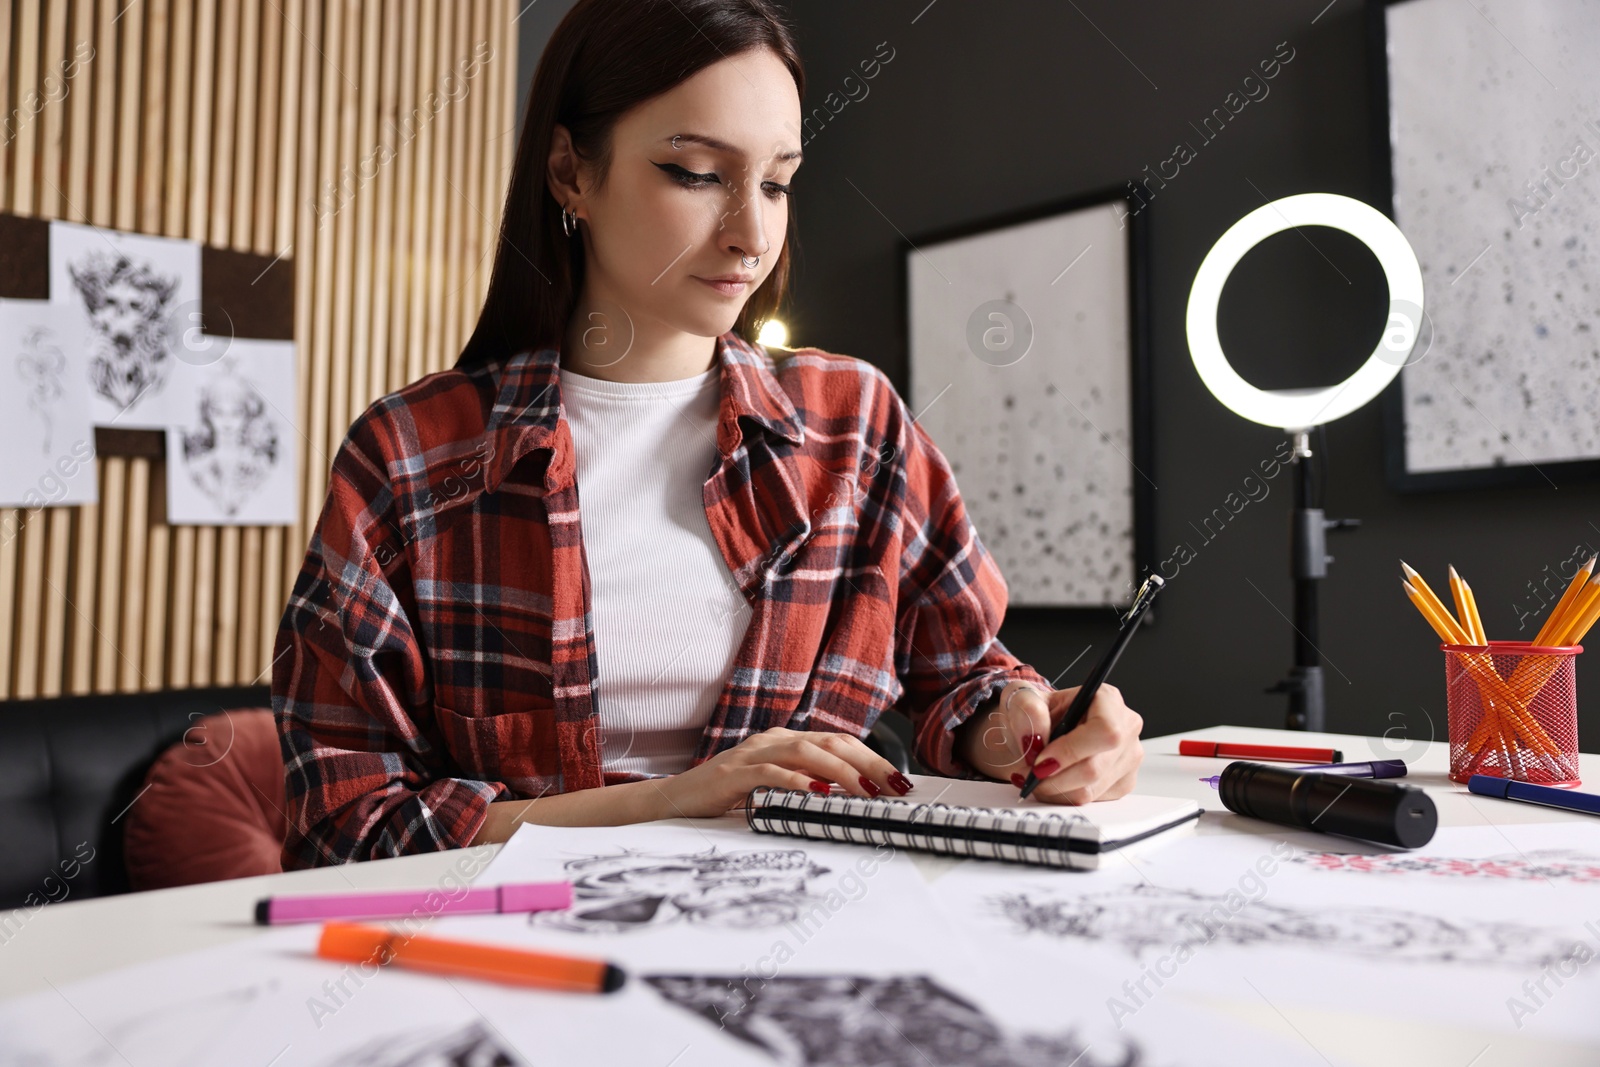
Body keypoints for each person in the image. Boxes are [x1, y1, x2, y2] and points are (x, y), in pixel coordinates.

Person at [272, 0, 1143, 868]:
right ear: (571, 172)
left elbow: (963, 687)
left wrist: (1039, 734)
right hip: (528, 954)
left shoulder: (855, 425)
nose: (751, 235)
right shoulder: (413, 456)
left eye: (776, 182)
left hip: (807, 944)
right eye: (695, 173)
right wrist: (666, 803)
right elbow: (344, 826)